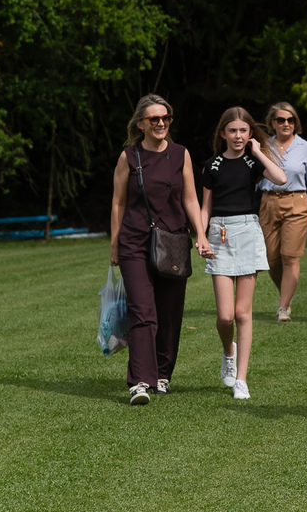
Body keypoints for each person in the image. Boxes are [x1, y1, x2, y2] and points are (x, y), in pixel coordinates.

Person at [109, 94, 211, 405]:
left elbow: (190, 198)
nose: (161, 123)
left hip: (173, 242)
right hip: (135, 242)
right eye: (153, 118)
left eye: (165, 117)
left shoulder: (181, 154)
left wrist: (201, 234)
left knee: (169, 314)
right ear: (140, 124)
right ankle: (140, 382)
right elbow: (118, 202)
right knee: (143, 312)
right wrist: (114, 242)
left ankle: (162, 375)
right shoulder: (129, 156)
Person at [200, 107, 287, 400]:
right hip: (219, 235)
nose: (238, 136)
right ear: (223, 133)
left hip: (248, 232)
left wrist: (258, 152)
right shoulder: (212, 165)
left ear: (250, 133)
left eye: (243, 131)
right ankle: (229, 352)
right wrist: (201, 236)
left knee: (242, 313)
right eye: (232, 131)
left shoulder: (253, 162)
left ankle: (241, 379)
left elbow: (280, 178)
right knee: (225, 316)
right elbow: (205, 207)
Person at [259, 101, 307, 322]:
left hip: (297, 203)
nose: (286, 124)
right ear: (273, 123)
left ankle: (283, 307)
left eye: (290, 120)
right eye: (281, 120)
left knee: (290, 256)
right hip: (268, 202)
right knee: (271, 259)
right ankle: (286, 295)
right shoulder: (263, 146)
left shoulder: (305, 147)